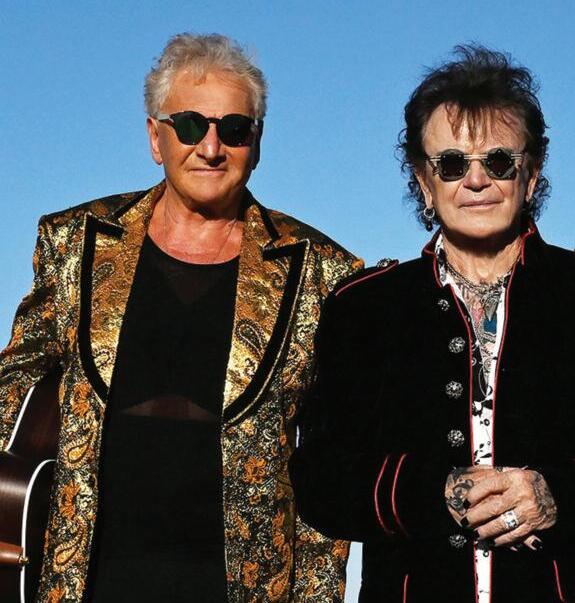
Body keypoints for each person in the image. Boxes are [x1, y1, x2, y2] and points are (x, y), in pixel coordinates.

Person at [290, 45, 575, 602]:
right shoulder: (364, 308)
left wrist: (557, 494)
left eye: (498, 161)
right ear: (423, 181)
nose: (476, 181)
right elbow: (319, 478)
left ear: (532, 173)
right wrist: (436, 494)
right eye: (451, 164)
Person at [0, 33, 358, 602]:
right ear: (154, 137)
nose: (211, 147)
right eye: (190, 125)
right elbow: (14, 386)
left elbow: (328, 459)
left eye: (233, 129)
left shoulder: (322, 271)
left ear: (257, 142)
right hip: (85, 581)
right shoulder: (73, 242)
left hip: (240, 588)